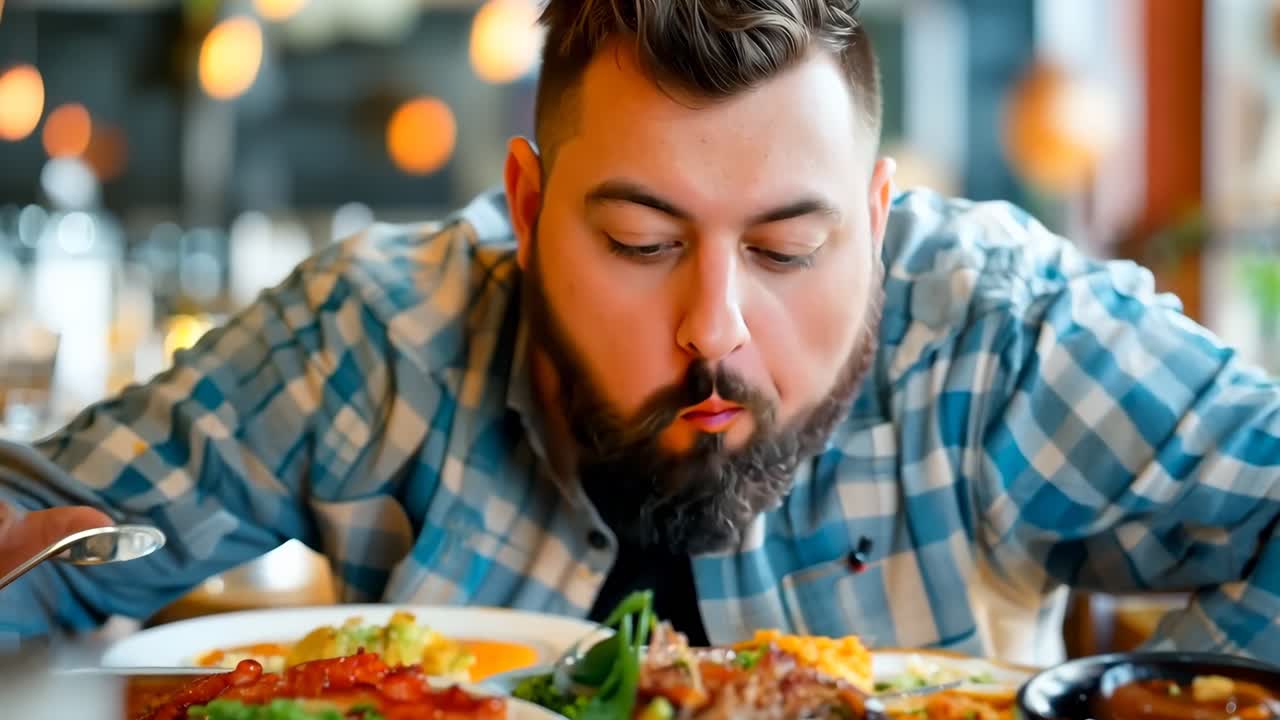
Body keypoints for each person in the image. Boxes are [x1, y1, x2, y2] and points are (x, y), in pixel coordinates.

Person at [3, 0, 1279, 667]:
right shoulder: (381, 337)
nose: (713, 326)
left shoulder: (999, 338)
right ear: (527, 209)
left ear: (877, 223)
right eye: (640, 243)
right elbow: (39, 547)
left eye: (787, 250)